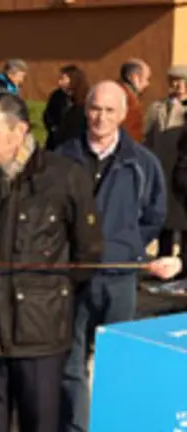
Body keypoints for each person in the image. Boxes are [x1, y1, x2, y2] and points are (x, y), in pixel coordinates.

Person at [0, 92, 103, 432]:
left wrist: (47, 294)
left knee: (41, 422)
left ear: (19, 132)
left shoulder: (64, 177)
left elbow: (87, 253)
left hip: (40, 331)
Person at [56, 81, 166, 432]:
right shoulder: (62, 157)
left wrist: (129, 246)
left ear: (122, 115)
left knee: (116, 359)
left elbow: (155, 215)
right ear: (85, 110)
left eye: (109, 111)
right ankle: (76, 426)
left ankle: (112, 423)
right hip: (72, 277)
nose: (100, 118)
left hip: (119, 278)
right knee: (70, 362)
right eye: (94, 109)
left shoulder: (142, 163)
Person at [146, 65, 187, 263]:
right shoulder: (158, 107)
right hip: (161, 168)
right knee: (163, 218)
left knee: (183, 219)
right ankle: (163, 258)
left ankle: (182, 263)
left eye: (183, 81)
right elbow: (148, 136)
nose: (179, 86)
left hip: (181, 171)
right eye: (175, 81)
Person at [47, 65, 91, 150]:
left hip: (77, 142)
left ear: (73, 79)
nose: (59, 82)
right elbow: (48, 114)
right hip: (56, 142)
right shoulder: (57, 95)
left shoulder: (86, 97)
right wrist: (53, 127)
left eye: (63, 79)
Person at [117, 58, 151, 143]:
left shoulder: (127, 93)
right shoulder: (124, 97)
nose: (147, 83)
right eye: (146, 79)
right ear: (134, 77)